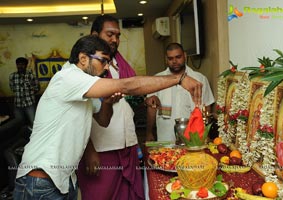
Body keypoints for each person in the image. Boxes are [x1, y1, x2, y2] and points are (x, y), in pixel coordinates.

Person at [13, 35, 202, 199]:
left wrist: (107, 103)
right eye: (102, 61)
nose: (105, 68)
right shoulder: (68, 77)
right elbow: (127, 85)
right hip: (40, 179)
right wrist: (179, 78)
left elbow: (103, 120)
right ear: (83, 59)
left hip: (63, 180)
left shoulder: (85, 88)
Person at [77, 15, 144, 200]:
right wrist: (89, 150)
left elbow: (133, 85)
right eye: (109, 34)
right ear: (94, 35)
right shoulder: (85, 68)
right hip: (101, 148)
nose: (115, 39)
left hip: (125, 143)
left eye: (118, 35)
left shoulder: (115, 63)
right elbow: (78, 113)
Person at [145, 42, 214, 142]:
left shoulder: (199, 79)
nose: (174, 61)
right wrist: (149, 133)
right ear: (166, 59)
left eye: (178, 57)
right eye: (170, 58)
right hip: (166, 139)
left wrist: (205, 133)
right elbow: (151, 108)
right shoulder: (158, 80)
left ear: (185, 56)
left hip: (193, 139)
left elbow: (207, 107)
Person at [9, 57, 40, 128]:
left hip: (29, 104)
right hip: (18, 105)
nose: (20, 66)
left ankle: (35, 137)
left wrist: (30, 92)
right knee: (19, 124)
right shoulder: (12, 76)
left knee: (34, 123)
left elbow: (37, 88)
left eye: (22, 64)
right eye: (18, 64)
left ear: (26, 65)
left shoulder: (31, 76)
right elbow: (12, 88)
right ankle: (23, 137)